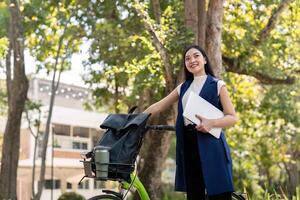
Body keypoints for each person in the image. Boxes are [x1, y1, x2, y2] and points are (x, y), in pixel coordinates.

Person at [144, 45, 238, 200]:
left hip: (211, 144)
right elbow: (160, 105)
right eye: (187, 58)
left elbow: (232, 117)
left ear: (205, 60)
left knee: (220, 194)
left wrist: (211, 123)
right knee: (194, 194)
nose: (192, 60)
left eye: (196, 56)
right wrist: (136, 119)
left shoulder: (217, 85)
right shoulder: (183, 87)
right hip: (188, 144)